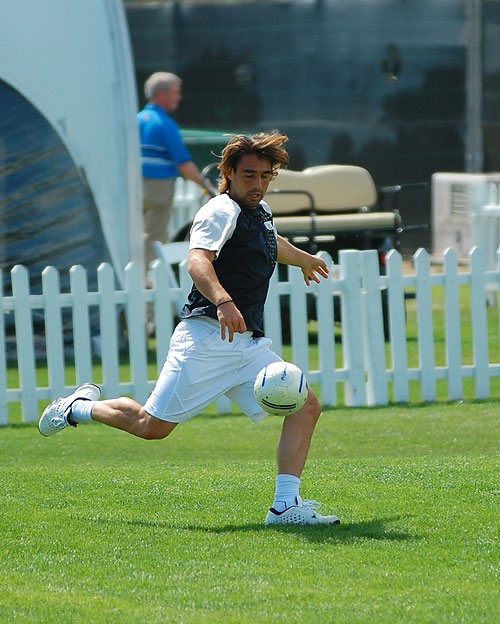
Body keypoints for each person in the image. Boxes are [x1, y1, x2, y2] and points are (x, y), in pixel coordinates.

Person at [38, 132, 340, 526]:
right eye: (249, 175)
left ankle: (285, 506)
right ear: (228, 173)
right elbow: (197, 260)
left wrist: (303, 259)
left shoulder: (260, 210)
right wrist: (224, 301)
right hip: (206, 338)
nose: (258, 184)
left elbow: (270, 240)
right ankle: (77, 408)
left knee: (306, 406)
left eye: (266, 176)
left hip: (246, 343)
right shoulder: (219, 210)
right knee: (151, 427)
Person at [138, 71, 216, 270]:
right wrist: (206, 185)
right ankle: (150, 278)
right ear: (162, 94)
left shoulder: (136, 120)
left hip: (134, 185)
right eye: (175, 92)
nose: (178, 97)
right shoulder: (164, 123)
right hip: (158, 187)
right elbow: (183, 164)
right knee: (155, 235)